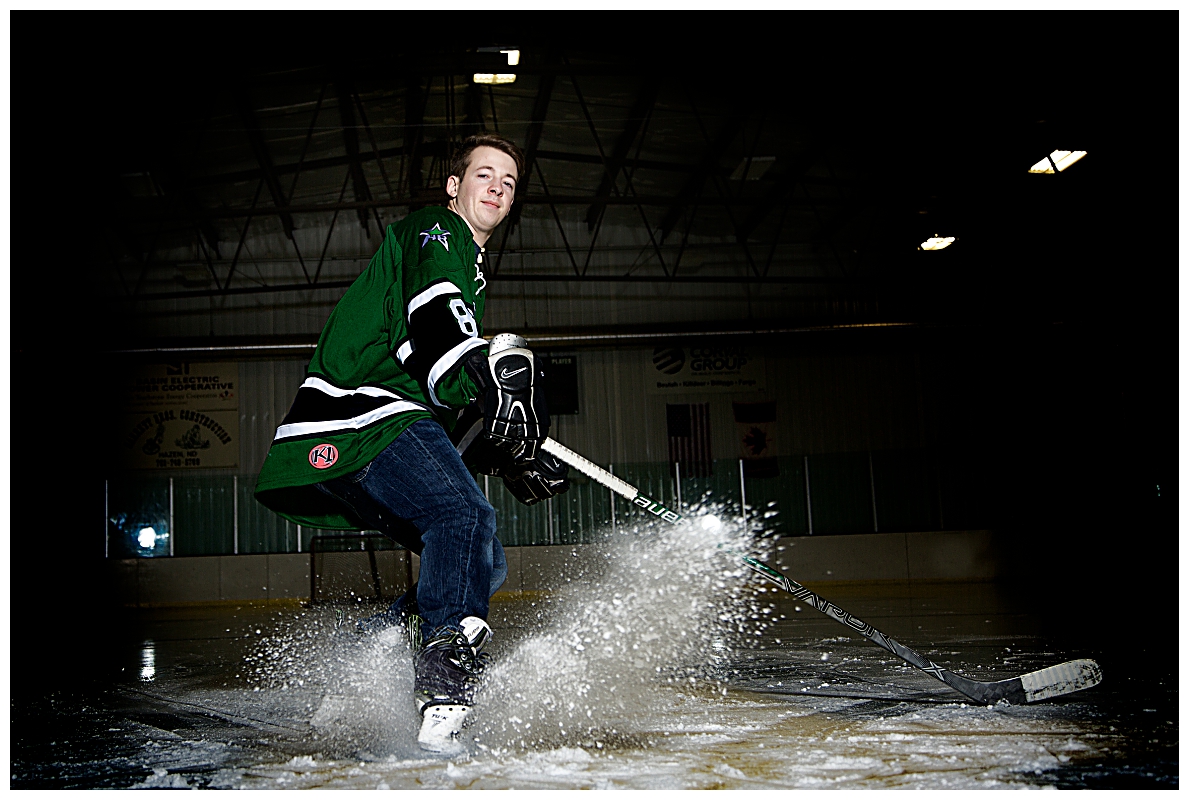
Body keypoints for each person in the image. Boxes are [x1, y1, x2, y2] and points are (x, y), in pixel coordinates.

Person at [254, 133, 569, 751]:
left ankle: (361, 661)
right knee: (461, 515)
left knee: (483, 558)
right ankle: (446, 682)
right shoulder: (436, 233)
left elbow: (435, 385)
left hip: (369, 432)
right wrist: (481, 367)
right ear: (454, 187)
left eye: (508, 182)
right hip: (361, 415)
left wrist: (506, 451)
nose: (498, 188)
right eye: (484, 175)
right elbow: (435, 320)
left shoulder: (466, 271)